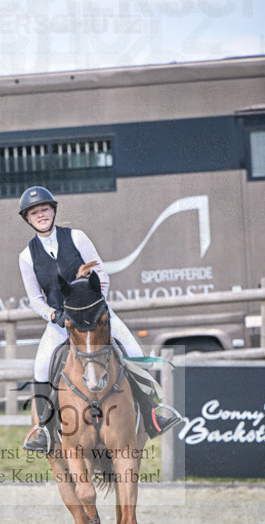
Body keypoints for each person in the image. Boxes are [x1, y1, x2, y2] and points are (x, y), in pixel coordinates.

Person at [17, 186, 181, 452]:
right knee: (41, 366)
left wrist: (92, 306)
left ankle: (153, 415)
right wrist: (52, 314)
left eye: (45, 209)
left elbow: (101, 275)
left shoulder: (78, 238)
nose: (41, 215)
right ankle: (43, 431)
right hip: (62, 323)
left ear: (53, 211)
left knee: (134, 350)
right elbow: (35, 298)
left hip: (95, 315)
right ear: (28, 218)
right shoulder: (26, 257)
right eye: (35, 212)